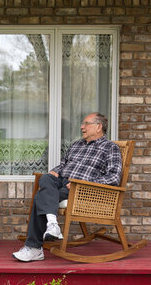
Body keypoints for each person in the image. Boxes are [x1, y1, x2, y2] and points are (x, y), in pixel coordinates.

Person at [13, 112, 122, 262]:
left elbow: (114, 177)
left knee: (40, 197)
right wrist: (55, 171)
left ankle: (34, 248)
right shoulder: (76, 144)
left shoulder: (110, 148)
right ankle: (52, 225)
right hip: (62, 181)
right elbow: (64, 165)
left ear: (99, 127)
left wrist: (84, 182)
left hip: (81, 189)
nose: (81, 127)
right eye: (82, 124)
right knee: (46, 178)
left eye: (86, 124)